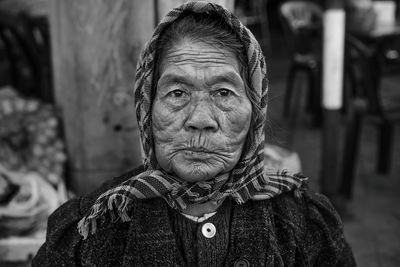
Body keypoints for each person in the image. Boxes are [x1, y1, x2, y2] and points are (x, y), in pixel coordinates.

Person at [32, 2, 355, 266]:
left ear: (255, 111)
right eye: (177, 93)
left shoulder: (306, 225)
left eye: (224, 93)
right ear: (147, 108)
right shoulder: (86, 233)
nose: (200, 119)